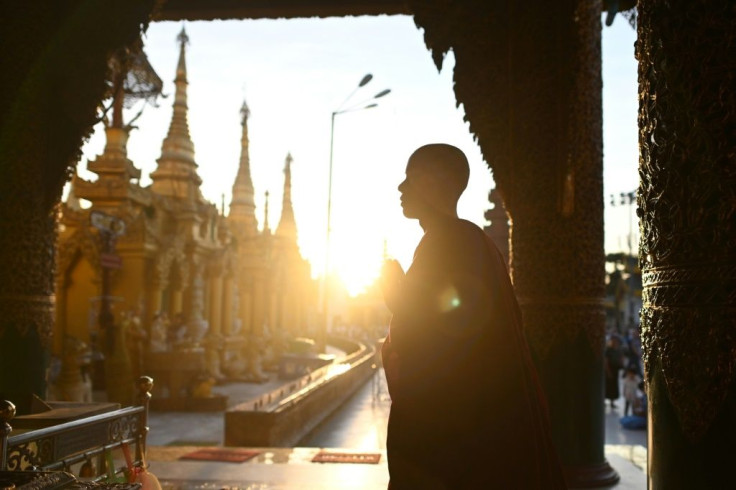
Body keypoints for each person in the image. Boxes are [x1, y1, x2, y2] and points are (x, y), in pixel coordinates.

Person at [380, 144, 566, 489]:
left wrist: (396, 295)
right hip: (479, 415)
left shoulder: (449, 242)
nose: (401, 188)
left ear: (437, 184)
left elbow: (444, 336)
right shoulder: (469, 241)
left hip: (456, 422)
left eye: (411, 178)